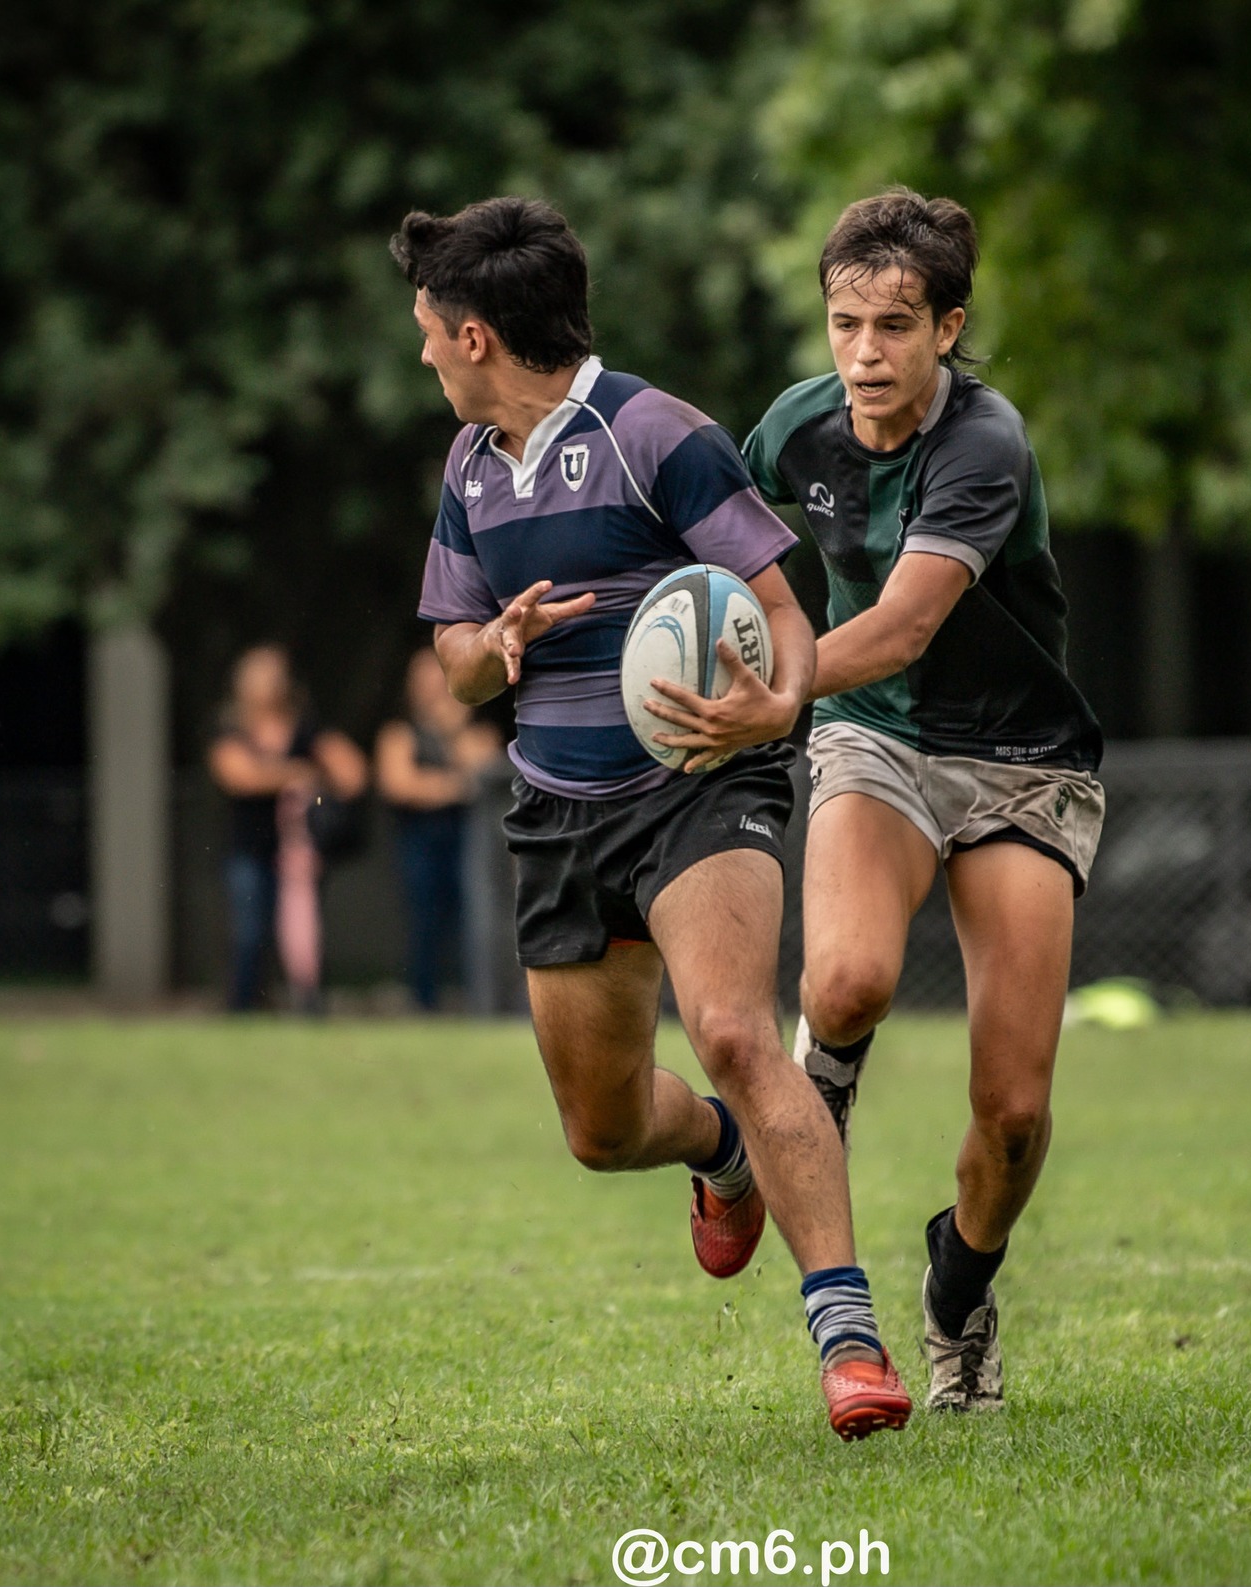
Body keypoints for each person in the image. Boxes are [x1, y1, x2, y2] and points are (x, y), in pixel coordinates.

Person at [397, 195, 910, 1439]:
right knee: (602, 1126)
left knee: (736, 1029)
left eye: (424, 329)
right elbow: (455, 670)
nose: (416, 352)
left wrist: (774, 707)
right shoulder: (469, 472)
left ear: (474, 336)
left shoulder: (651, 433)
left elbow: (779, 607)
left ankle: (848, 1337)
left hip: (696, 783)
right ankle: (721, 1155)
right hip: (557, 813)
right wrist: (496, 644)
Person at [732, 188, 1107, 1413]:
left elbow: (898, 626)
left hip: (1016, 763)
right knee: (842, 983)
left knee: (1009, 1116)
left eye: (894, 326)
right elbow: (698, 523)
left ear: (947, 328)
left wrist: (771, 688)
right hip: (872, 743)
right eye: (844, 324)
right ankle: (789, 1131)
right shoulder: (797, 428)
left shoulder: (983, 447)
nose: (863, 355)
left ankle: (958, 1291)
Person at [208, 645, 369, 1015]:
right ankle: (244, 1006)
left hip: (299, 852)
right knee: (250, 932)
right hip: (248, 849)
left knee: (304, 932)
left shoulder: (306, 728)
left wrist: (312, 779)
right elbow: (239, 777)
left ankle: (308, 1004)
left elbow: (353, 773)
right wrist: (300, 773)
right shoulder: (230, 730)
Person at [375, 647, 502, 1010]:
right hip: (419, 841)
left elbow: (485, 765)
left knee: (477, 921)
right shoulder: (399, 732)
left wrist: (453, 730)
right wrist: (457, 786)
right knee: (424, 924)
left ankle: (479, 1001)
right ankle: (424, 1001)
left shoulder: (476, 729)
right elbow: (400, 785)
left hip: (472, 842)